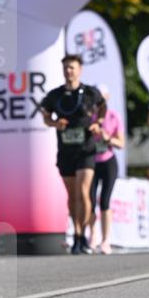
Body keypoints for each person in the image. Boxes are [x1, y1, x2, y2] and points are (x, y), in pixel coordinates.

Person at [41, 54, 106, 254]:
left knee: (83, 191)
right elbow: (45, 115)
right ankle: (76, 232)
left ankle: (82, 234)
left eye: (72, 67)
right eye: (66, 68)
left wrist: (98, 123)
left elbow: (102, 107)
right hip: (66, 151)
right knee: (72, 195)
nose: (68, 71)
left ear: (80, 70)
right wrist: (54, 123)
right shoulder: (55, 95)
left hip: (86, 149)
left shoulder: (90, 92)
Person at [88, 85, 124, 255]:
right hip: (91, 162)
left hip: (108, 161)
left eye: (101, 98)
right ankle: (92, 236)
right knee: (90, 201)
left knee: (105, 201)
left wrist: (107, 138)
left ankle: (106, 240)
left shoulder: (113, 116)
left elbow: (121, 143)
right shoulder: (89, 117)